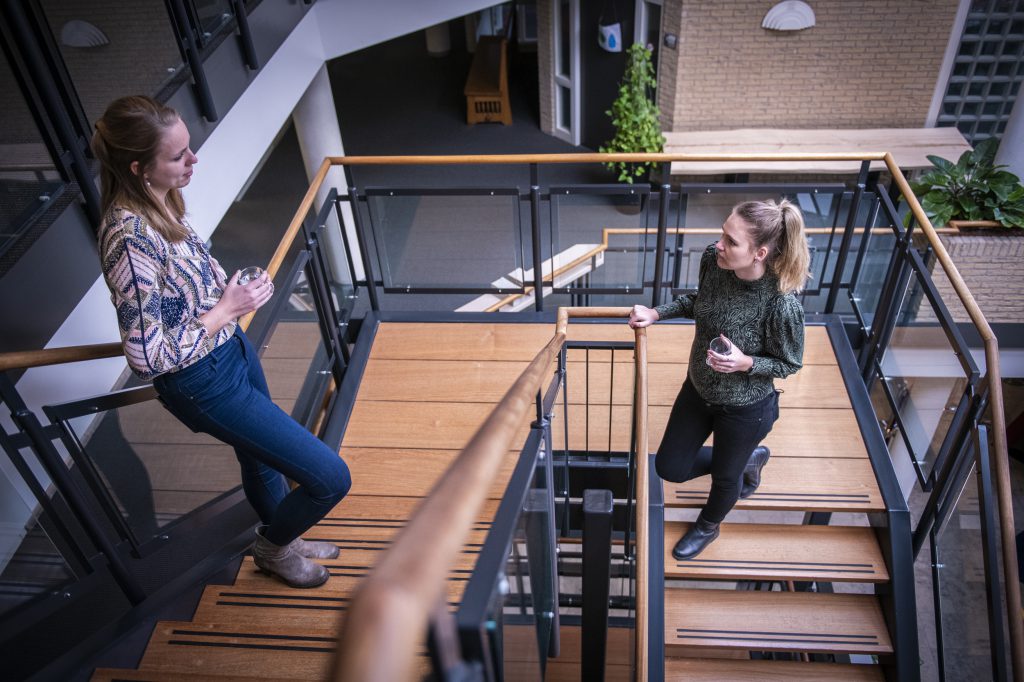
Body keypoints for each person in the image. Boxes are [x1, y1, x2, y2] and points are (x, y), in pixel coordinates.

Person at [92, 95, 351, 588]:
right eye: (178, 156)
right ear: (138, 167)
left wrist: (232, 296)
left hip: (231, 352)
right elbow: (145, 355)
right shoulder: (127, 238)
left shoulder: (162, 202)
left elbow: (184, 291)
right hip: (200, 381)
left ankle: (285, 539)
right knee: (330, 477)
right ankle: (273, 547)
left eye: (188, 149)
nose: (193, 161)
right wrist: (224, 310)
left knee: (261, 461)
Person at [629, 199, 809, 559]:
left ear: (759, 253)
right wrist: (657, 312)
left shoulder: (781, 305)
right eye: (723, 234)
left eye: (731, 241)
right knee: (669, 468)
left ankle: (708, 526)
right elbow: (701, 301)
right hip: (698, 389)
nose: (718, 245)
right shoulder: (714, 261)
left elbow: (790, 364)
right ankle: (749, 457)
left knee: (726, 481)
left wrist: (745, 363)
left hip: (744, 408)